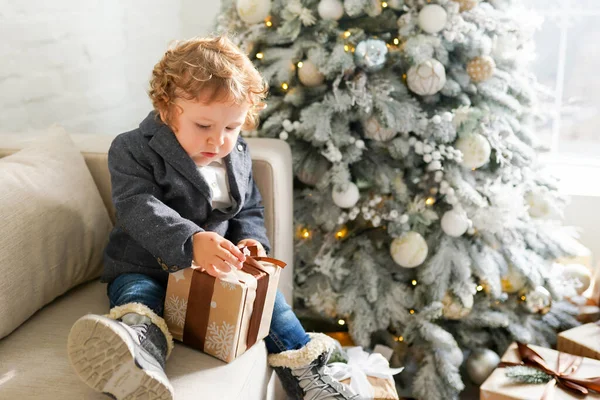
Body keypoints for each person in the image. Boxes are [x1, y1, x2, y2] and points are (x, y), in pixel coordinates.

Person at [66, 35, 357, 400]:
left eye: (231, 128)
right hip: (146, 266)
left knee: (273, 307)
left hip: (216, 274)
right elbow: (137, 206)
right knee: (138, 299)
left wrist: (252, 243)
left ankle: (308, 376)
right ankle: (139, 354)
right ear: (168, 108)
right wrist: (190, 242)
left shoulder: (238, 155)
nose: (219, 141)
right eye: (204, 127)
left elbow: (249, 207)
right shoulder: (131, 148)